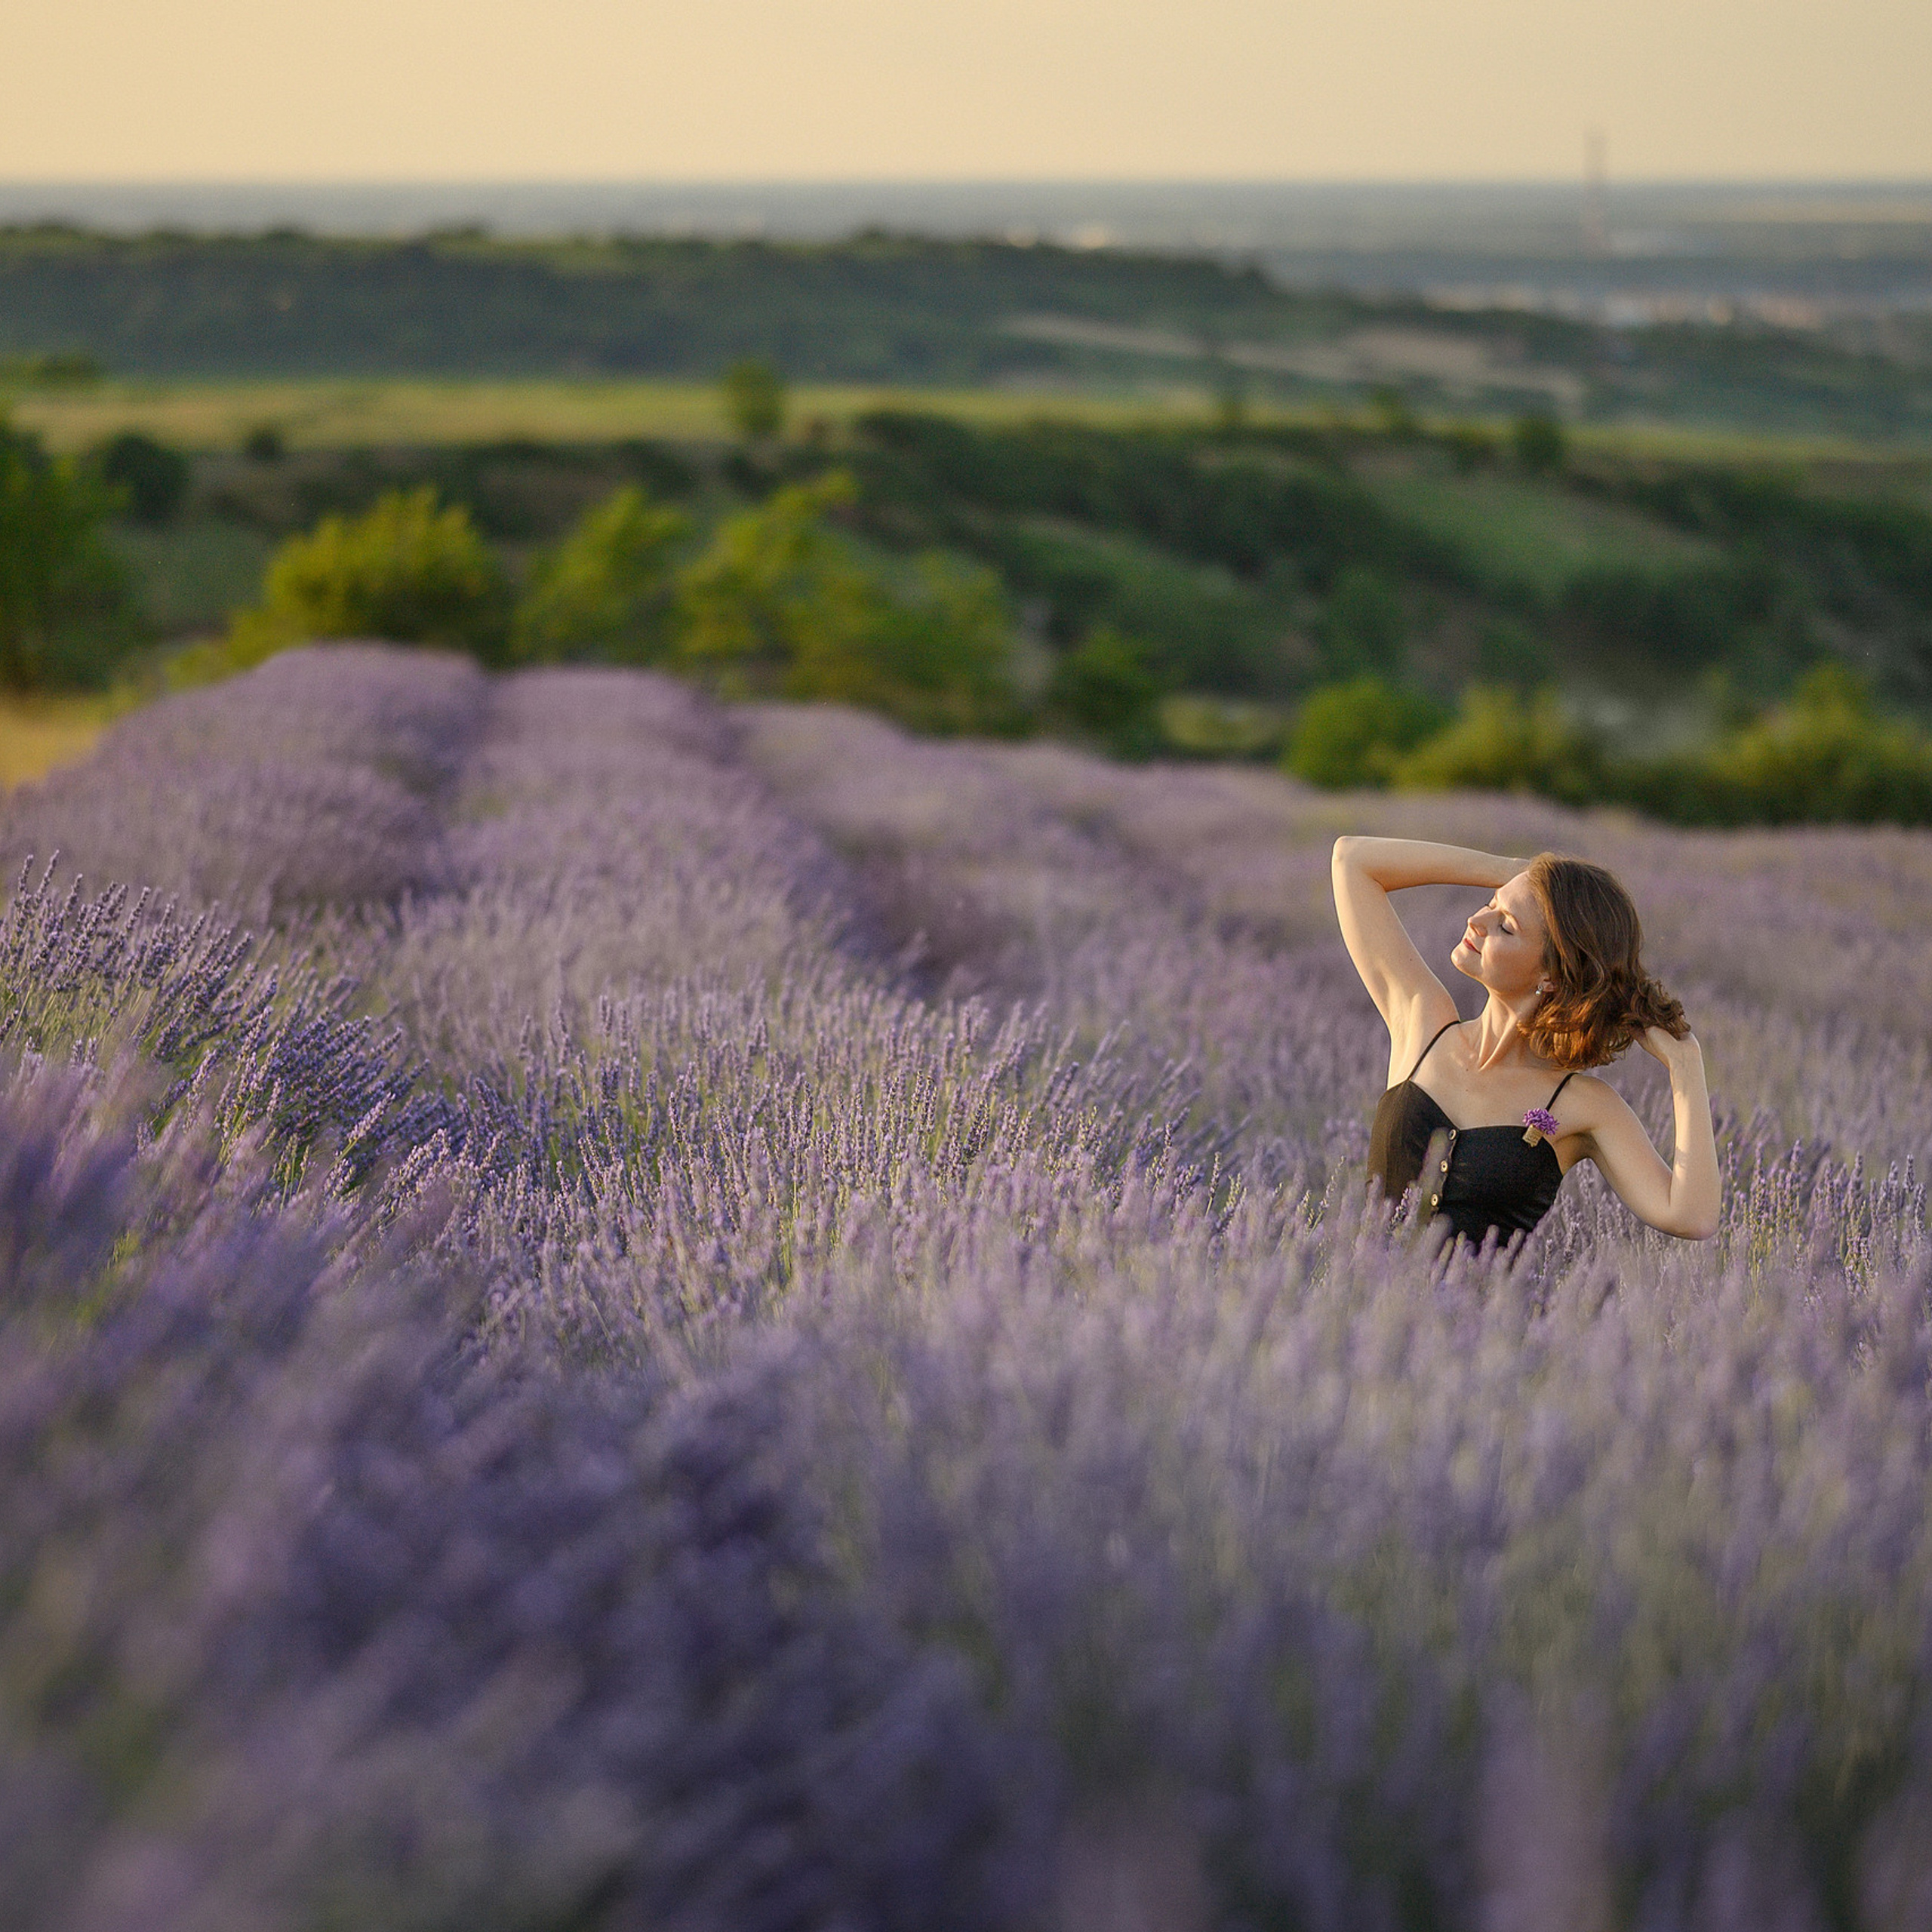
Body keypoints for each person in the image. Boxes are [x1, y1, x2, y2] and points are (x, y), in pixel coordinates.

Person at [1331, 835, 1719, 1247]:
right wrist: (1516, 872)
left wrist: (1686, 1065)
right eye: (1491, 904)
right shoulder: (1422, 1021)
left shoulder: (1583, 1104)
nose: (1477, 922)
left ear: (1550, 975)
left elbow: (1691, 1217)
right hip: (1356, 1308)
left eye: (1506, 926)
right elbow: (1351, 859)